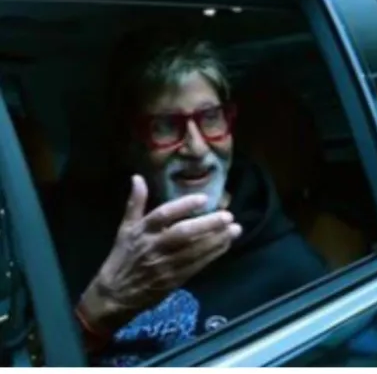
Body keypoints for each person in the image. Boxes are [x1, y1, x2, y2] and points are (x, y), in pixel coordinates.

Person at [45, 32, 327, 366]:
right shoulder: (70, 233)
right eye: (166, 125)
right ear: (132, 142)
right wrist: (95, 313)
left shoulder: (290, 269)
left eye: (210, 118)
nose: (196, 147)